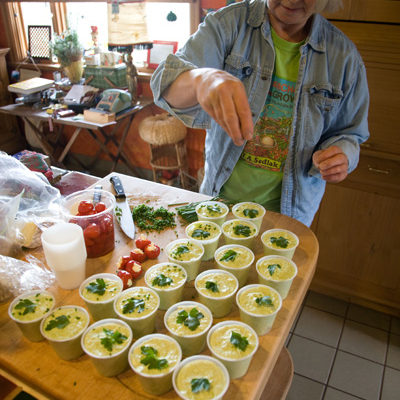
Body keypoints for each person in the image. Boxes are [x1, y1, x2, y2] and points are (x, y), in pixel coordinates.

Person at [150, 0, 369, 226]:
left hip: (289, 218)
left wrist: (343, 155)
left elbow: (350, 133)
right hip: (219, 206)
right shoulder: (229, 24)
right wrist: (201, 80)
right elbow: (163, 84)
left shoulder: (343, 57)